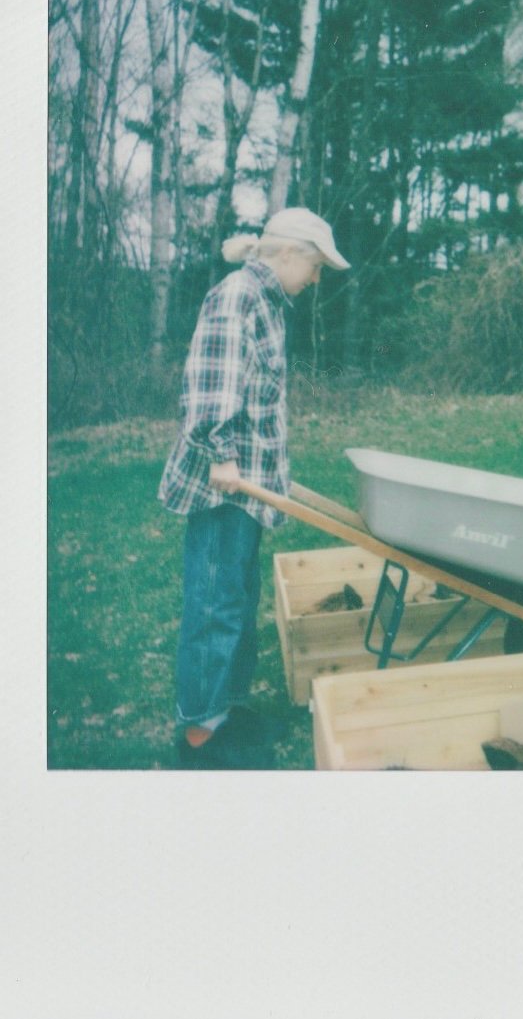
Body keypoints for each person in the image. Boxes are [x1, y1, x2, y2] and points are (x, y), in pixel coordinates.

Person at [158, 207, 349, 769]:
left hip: (250, 482)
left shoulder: (268, 302)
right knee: (215, 605)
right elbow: (210, 383)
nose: (316, 278)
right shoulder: (237, 296)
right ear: (287, 254)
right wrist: (219, 454)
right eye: (315, 266)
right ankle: (201, 734)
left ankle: (227, 709)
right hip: (225, 485)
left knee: (238, 599)